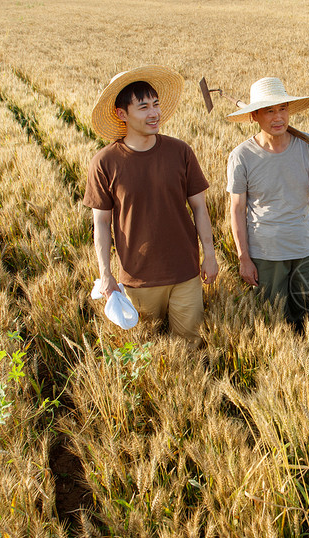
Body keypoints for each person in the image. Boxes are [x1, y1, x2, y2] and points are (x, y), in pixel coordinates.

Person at [84, 65, 218, 347]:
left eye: (156, 104)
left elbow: (200, 209)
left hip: (186, 274)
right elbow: (101, 224)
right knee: (146, 352)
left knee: (191, 347)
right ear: (122, 114)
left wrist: (210, 254)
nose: (154, 113)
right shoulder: (105, 162)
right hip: (138, 279)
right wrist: (105, 275)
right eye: (143, 107)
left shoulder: (180, 151)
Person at [226, 77, 309, 327]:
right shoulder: (242, 156)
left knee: (304, 315)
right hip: (267, 252)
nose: (278, 117)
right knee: (273, 319)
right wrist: (243, 257)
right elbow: (236, 210)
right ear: (254, 116)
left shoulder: (306, 144)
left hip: (304, 246)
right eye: (269, 110)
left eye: (283, 108)